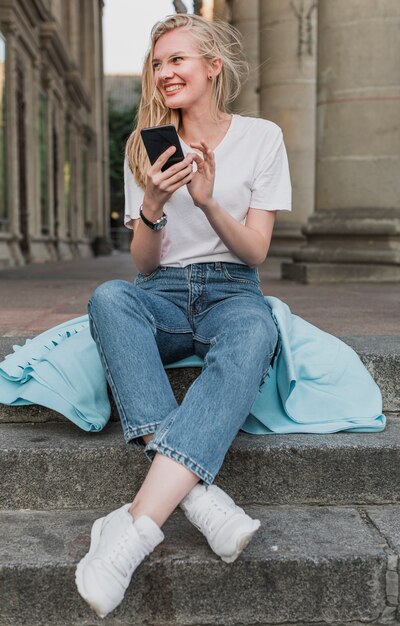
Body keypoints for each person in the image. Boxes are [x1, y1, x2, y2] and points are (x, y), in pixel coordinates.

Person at [75, 12, 291, 619]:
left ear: (212, 67)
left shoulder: (261, 137)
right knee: (110, 298)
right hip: (162, 292)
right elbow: (143, 264)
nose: (165, 72)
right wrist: (152, 204)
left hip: (231, 288)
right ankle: (198, 496)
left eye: (178, 59)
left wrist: (205, 201)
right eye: (158, 62)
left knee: (255, 330)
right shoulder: (143, 148)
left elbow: (254, 251)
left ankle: (134, 530)